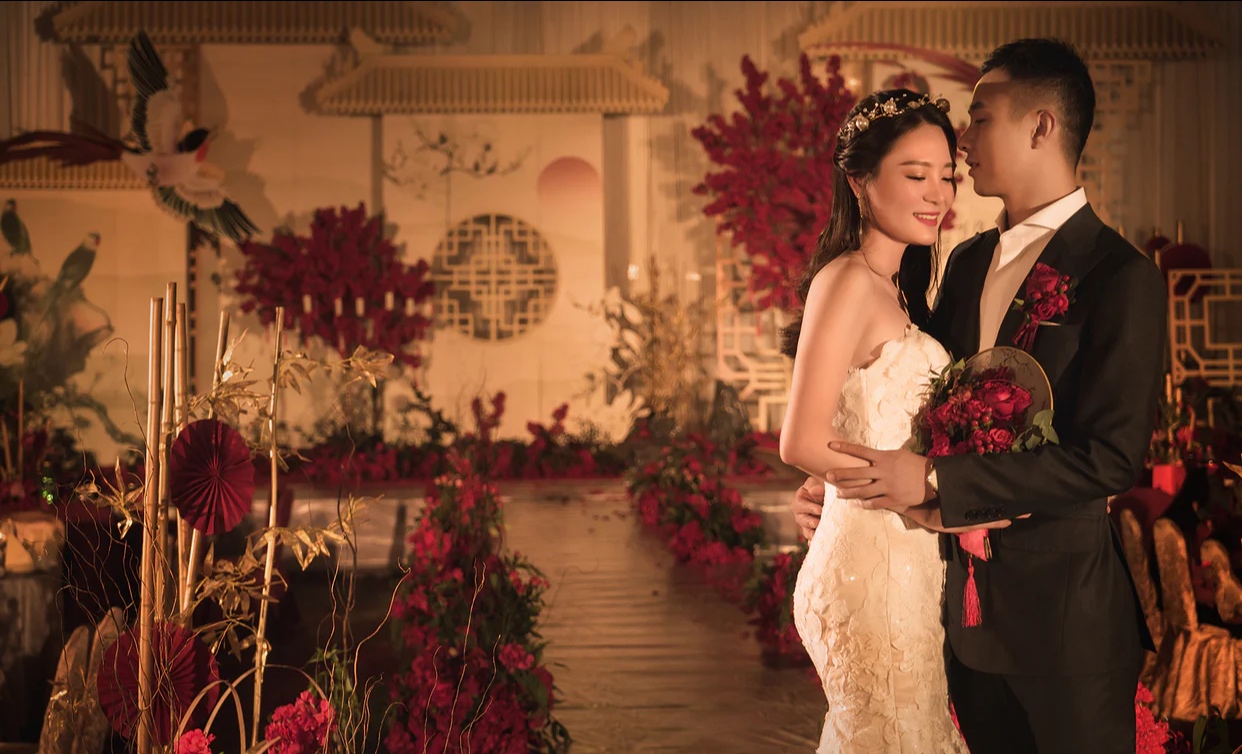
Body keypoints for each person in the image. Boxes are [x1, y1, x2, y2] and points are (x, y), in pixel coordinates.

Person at [790, 38, 1165, 753]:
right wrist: (831, 477)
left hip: (1064, 628)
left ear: (1041, 126)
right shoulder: (966, 263)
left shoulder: (1119, 277)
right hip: (952, 621)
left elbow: (1110, 459)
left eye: (981, 118)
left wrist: (934, 480)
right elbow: (909, 400)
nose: (963, 144)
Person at [777, 87, 1002, 753]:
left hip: (902, 566)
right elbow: (802, 439)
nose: (937, 194)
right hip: (871, 573)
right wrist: (923, 500)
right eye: (915, 175)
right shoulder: (847, 280)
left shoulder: (898, 290)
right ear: (859, 181)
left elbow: (860, 427)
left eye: (946, 176)